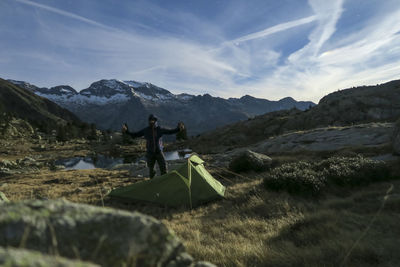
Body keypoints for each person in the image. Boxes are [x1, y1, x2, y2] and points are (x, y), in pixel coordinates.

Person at [122, 114, 183, 178]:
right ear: (149, 121)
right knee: (151, 171)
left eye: (153, 120)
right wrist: (126, 131)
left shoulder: (160, 129)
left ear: (156, 121)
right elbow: (135, 135)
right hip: (150, 153)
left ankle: (164, 182)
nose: (152, 121)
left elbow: (170, 132)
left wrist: (178, 129)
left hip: (159, 152)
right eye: (150, 120)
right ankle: (152, 184)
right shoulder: (146, 130)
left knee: (164, 168)